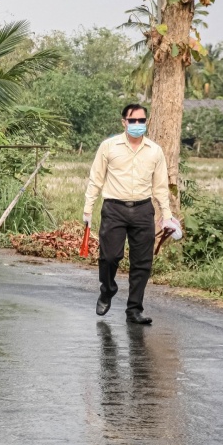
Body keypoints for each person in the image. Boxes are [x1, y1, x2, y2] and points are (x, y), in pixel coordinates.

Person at [84, 104, 181, 325]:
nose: (138, 124)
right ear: (124, 122)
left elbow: (160, 187)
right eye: (133, 120)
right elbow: (96, 179)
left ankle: (134, 309)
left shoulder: (154, 151)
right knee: (109, 257)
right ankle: (107, 290)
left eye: (141, 121)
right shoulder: (109, 147)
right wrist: (88, 208)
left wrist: (167, 215)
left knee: (142, 262)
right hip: (114, 209)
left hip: (143, 210)